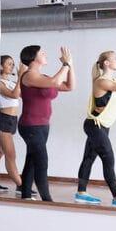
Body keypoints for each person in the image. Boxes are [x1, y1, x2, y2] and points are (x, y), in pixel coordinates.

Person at [75, 48, 116, 209]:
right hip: (94, 126)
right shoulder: (101, 81)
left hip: (102, 126)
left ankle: (81, 193)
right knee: (108, 159)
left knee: (89, 158)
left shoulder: (114, 79)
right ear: (106, 63)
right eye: (115, 59)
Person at [18, 45, 75, 201]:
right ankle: (47, 201)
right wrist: (65, 64)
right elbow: (56, 80)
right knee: (42, 161)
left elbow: (69, 86)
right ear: (32, 57)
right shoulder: (28, 76)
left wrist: (71, 65)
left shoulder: (43, 77)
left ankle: (26, 196)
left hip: (43, 126)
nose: (45, 54)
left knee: (32, 160)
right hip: (30, 126)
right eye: (42, 52)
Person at [0, 55, 25, 193]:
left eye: (13, 64)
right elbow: (14, 95)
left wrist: (21, 78)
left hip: (12, 120)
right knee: (11, 155)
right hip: (3, 119)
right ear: (1, 66)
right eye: (9, 63)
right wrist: (20, 77)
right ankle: (21, 185)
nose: (12, 66)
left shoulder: (12, 82)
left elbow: (21, 93)